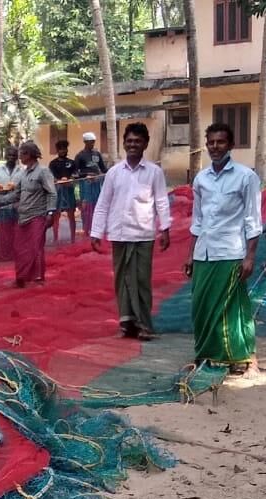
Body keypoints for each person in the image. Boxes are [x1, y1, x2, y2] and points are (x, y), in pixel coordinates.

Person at [187, 122, 261, 373]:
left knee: (230, 308)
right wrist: (190, 254)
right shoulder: (201, 179)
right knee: (201, 307)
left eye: (220, 142)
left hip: (230, 252)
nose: (215, 147)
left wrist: (250, 256)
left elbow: (253, 220)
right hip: (203, 253)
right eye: (211, 142)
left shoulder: (246, 177)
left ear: (231, 145)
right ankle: (205, 355)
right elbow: (197, 220)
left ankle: (240, 357)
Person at [89, 123, 171, 341]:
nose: (133, 145)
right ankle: (127, 324)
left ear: (145, 144)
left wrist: (165, 228)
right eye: (130, 141)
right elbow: (103, 204)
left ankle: (144, 325)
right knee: (122, 280)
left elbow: (162, 201)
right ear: (124, 144)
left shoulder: (154, 172)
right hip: (119, 233)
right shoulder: (114, 173)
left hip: (143, 234)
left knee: (142, 280)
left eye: (138, 141)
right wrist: (96, 232)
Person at [12, 141, 56, 287]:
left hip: (38, 215)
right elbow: (16, 194)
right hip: (23, 216)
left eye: (21, 153)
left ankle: (38, 278)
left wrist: (50, 212)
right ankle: (21, 277)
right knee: (20, 248)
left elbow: (52, 193)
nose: (19, 156)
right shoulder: (23, 174)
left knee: (35, 247)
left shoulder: (43, 171)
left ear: (29, 154)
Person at [0, 145, 21, 262]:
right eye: (9, 155)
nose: (11, 157)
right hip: (2, 205)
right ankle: (4, 256)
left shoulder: (22, 171)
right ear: (5, 156)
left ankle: (16, 255)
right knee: (4, 232)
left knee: (17, 231)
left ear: (17, 157)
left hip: (17, 206)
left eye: (14, 155)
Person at [74, 131, 108, 237]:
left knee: (97, 205)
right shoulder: (80, 155)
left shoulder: (97, 154)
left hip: (97, 183)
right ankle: (86, 229)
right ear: (85, 142)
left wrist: (112, 172)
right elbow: (75, 173)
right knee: (86, 207)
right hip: (86, 184)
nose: (92, 143)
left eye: (94, 141)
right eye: (90, 142)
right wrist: (86, 175)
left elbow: (103, 169)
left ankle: (96, 228)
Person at [48, 139, 78, 244]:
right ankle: (55, 238)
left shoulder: (72, 162)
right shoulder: (53, 163)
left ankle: (73, 239)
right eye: (60, 149)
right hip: (57, 191)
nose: (63, 151)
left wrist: (70, 180)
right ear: (57, 150)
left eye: (64, 148)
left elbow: (75, 175)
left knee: (71, 215)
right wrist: (59, 181)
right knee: (56, 215)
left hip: (69, 191)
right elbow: (51, 177)